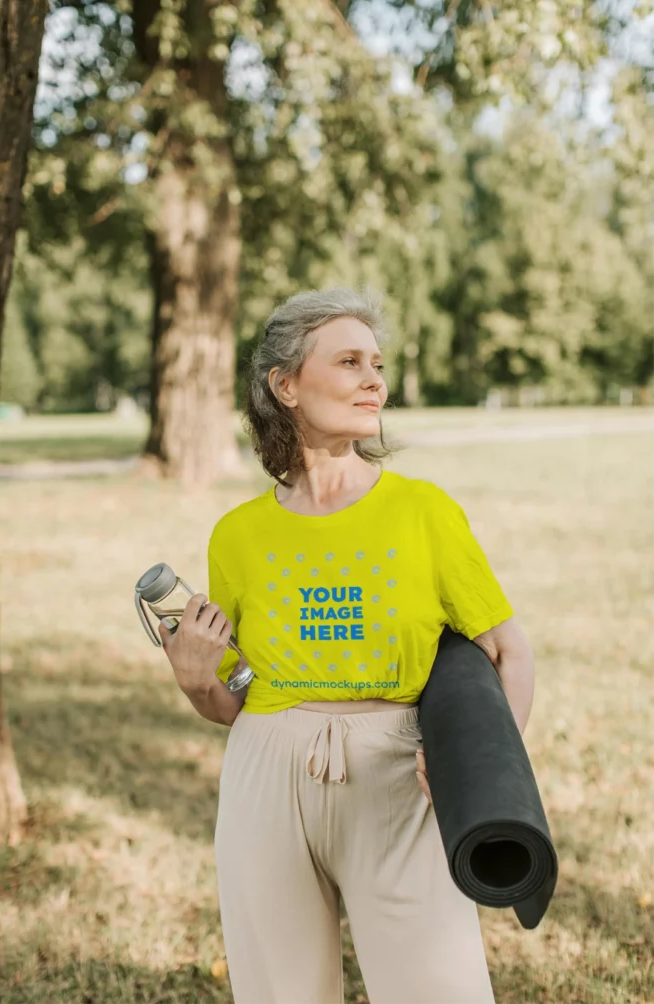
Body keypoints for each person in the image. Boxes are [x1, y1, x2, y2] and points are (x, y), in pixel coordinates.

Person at [158, 287, 536, 1004]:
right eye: (350, 361)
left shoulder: (422, 512)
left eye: (377, 364)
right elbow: (231, 701)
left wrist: (481, 777)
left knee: (439, 989)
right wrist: (194, 677)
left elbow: (508, 650)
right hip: (265, 769)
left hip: (399, 770)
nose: (374, 381)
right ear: (286, 385)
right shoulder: (237, 535)